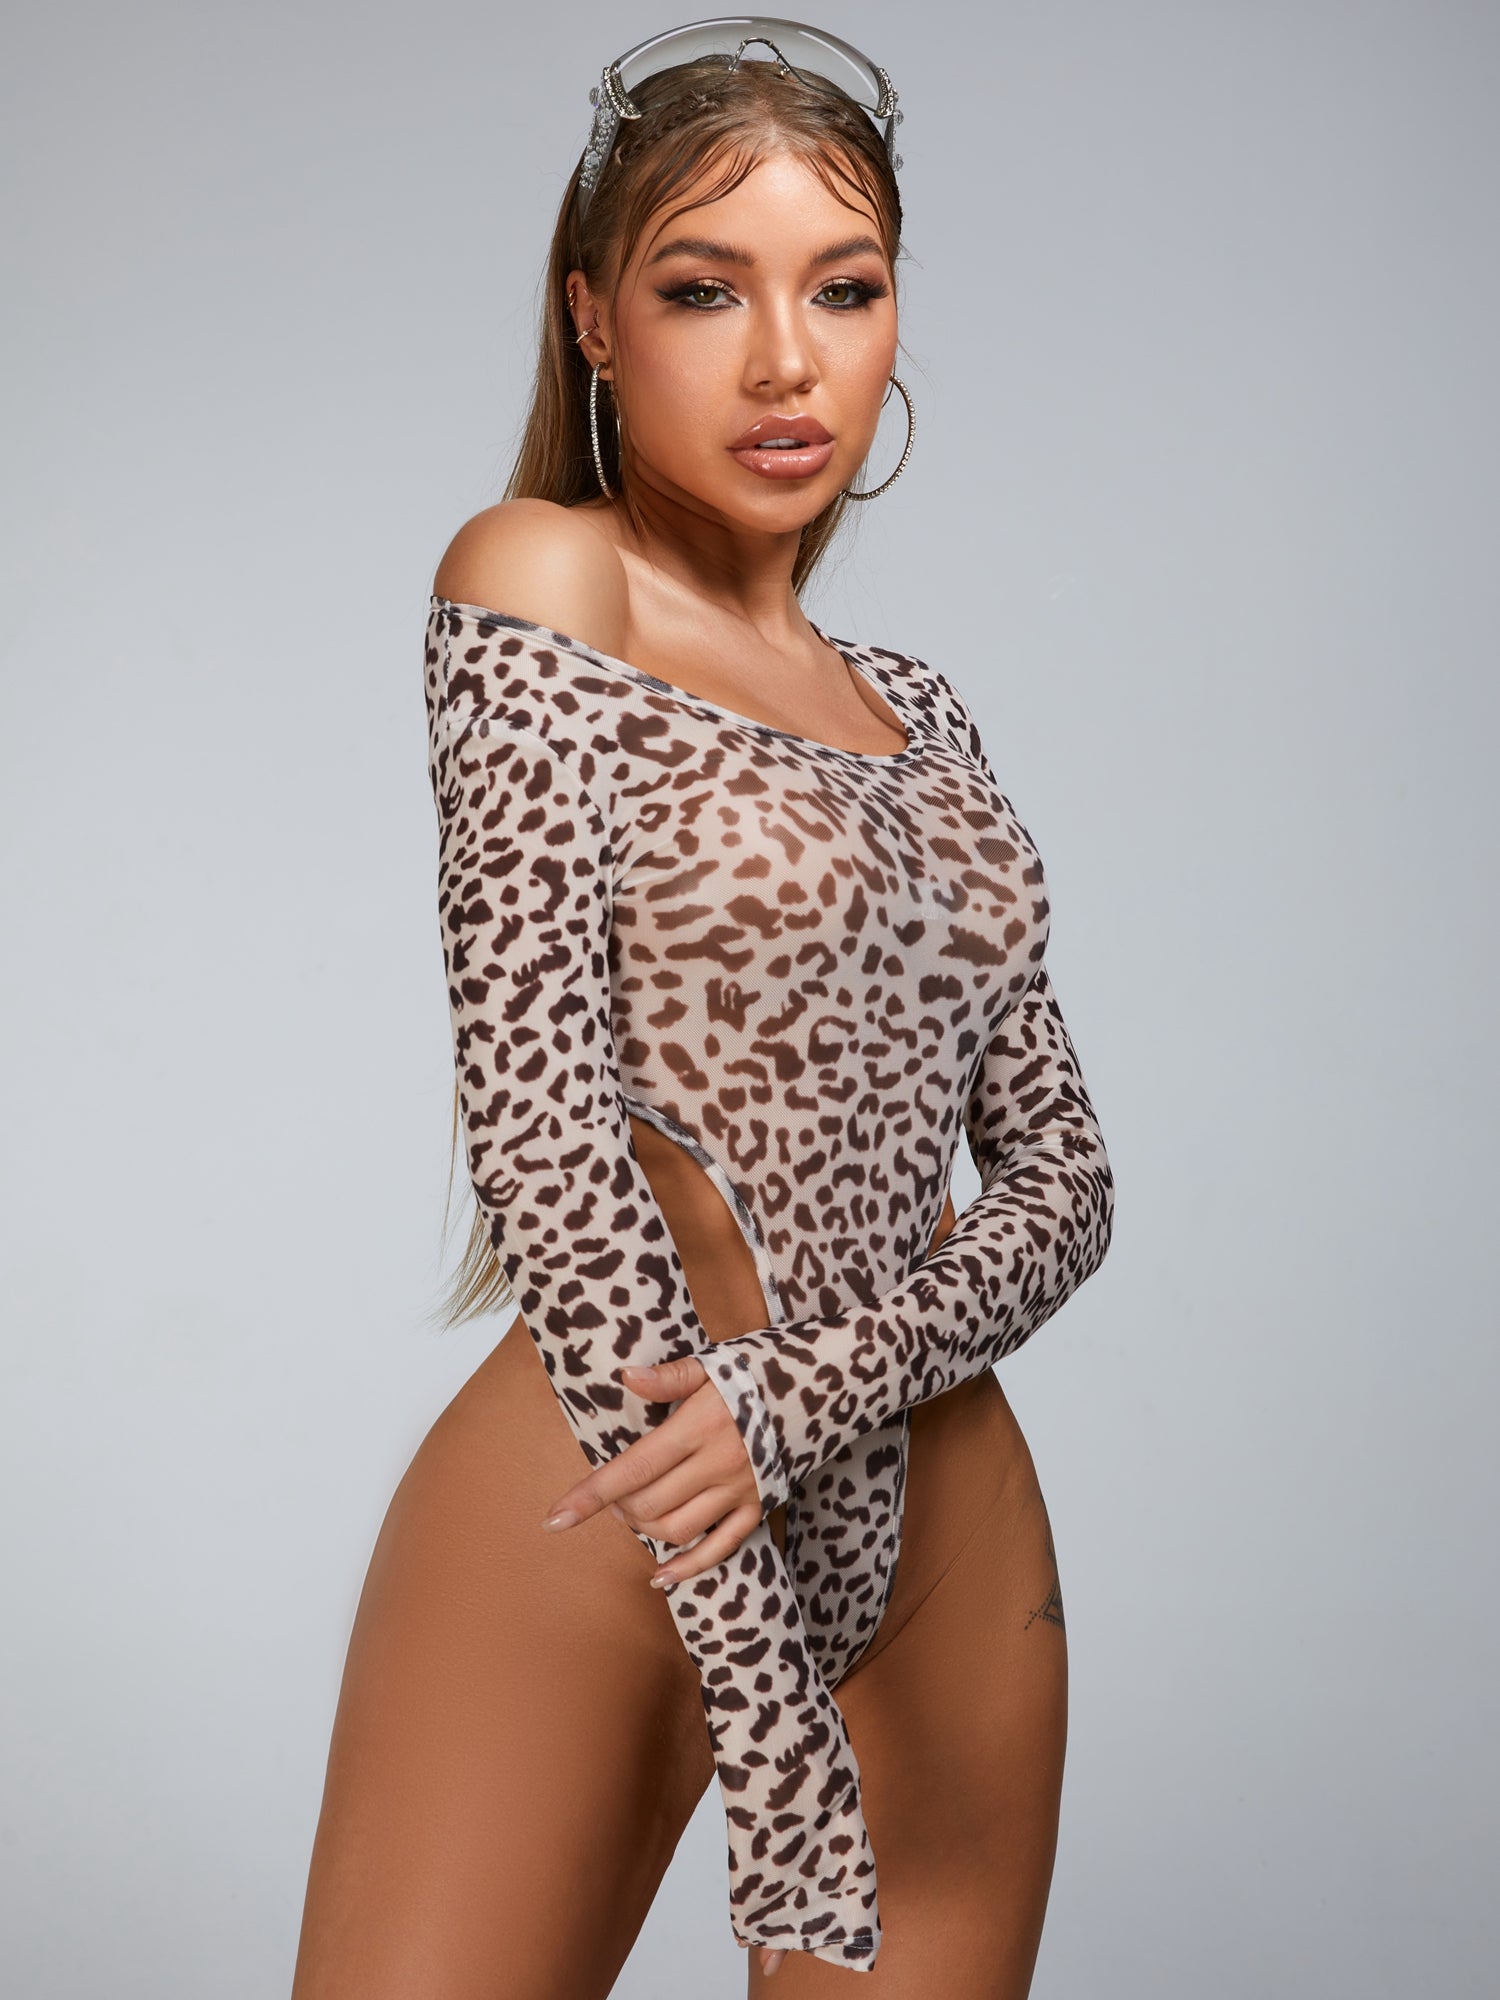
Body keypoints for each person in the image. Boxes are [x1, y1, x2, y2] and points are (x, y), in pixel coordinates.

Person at [291, 19, 1114, 1996]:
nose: (783, 361)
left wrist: (795, 1400)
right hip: (610, 1484)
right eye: (701, 289)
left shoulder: (925, 714)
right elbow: (542, 1118)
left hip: (942, 1526)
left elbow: (1067, 1181)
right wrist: (748, 1657)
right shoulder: (540, 580)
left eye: (844, 287)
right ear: (592, 316)